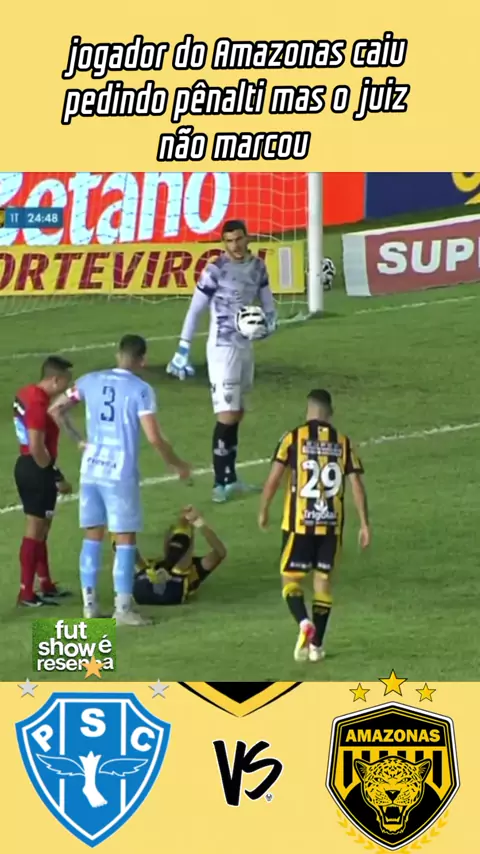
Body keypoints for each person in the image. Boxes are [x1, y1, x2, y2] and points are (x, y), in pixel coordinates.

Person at [49, 334, 191, 626]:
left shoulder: (89, 381)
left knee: (92, 535)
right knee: (125, 539)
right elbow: (154, 437)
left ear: (118, 355)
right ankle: (123, 610)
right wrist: (176, 464)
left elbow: (55, 409)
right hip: (119, 474)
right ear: (143, 360)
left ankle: (90, 606)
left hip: (91, 470)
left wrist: (78, 440)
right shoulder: (141, 390)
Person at [166, 219, 277, 504]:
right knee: (226, 414)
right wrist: (183, 347)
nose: (235, 245)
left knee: (237, 412)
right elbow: (195, 310)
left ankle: (232, 478)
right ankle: (219, 482)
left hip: (245, 347)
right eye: (229, 241)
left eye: (239, 239)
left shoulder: (258, 266)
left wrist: (269, 324)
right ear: (223, 243)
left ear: (247, 238)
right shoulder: (215, 270)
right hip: (222, 349)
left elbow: (268, 303)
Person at [258, 389, 371, 663]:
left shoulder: (292, 438)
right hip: (331, 527)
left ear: (308, 410)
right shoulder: (343, 442)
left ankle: (303, 621)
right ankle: (317, 646)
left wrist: (263, 509)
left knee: (290, 579)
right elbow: (357, 484)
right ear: (329, 413)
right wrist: (364, 524)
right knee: (323, 582)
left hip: (299, 525)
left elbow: (274, 478)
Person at [13, 356, 74, 607]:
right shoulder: (38, 404)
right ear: (55, 379)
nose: (66, 388)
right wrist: (54, 475)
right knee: (34, 531)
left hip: (27, 466)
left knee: (42, 531)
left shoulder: (25, 393)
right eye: (66, 382)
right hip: (37, 469)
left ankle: (46, 584)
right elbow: (37, 446)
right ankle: (26, 593)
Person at [112, 505, 227, 606]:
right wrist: (191, 523)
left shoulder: (196, 566)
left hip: (163, 590)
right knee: (139, 560)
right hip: (152, 589)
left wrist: (198, 523)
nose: (174, 550)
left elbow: (220, 552)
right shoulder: (159, 563)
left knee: (177, 569)